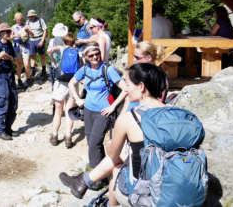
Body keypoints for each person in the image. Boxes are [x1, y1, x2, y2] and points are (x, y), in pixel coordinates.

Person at [59, 63, 169, 207]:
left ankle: (101, 196)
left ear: (141, 87)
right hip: (171, 185)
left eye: (128, 85)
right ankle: (83, 182)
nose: (125, 90)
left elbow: (113, 156)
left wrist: (114, 144)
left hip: (144, 192)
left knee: (116, 168)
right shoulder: (176, 112)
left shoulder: (130, 118)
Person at [68, 43, 127, 175]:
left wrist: (113, 106)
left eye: (97, 54)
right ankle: (103, 173)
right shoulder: (84, 69)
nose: (95, 57)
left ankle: (95, 175)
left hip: (103, 112)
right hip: (88, 110)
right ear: (86, 57)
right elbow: (71, 83)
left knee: (95, 142)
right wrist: (77, 99)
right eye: (91, 55)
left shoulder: (108, 69)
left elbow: (125, 89)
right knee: (91, 141)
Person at [47, 24, 77, 148]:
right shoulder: (76, 51)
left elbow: (49, 51)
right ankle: (68, 137)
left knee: (58, 111)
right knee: (69, 111)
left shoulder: (61, 48)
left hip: (61, 82)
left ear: (64, 41)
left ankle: (54, 136)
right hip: (73, 83)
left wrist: (54, 63)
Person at [25, 10, 48, 80]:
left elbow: (45, 31)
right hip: (31, 40)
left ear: (35, 15)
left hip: (39, 39)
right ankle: (33, 70)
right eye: (29, 16)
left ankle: (44, 69)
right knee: (32, 55)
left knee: (42, 55)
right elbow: (26, 31)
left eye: (31, 16)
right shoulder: (28, 22)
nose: (30, 17)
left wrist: (42, 40)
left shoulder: (40, 20)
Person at [11, 12, 30, 88]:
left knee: (26, 64)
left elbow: (32, 35)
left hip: (25, 46)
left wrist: (29, 31)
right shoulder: (13, 27)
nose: (19, 21)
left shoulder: (26, 26)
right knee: (19, 65)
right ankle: (19, 80)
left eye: (21, 19)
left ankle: (28, 78)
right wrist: (18, 35)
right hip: (17, 46)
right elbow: (10, 37)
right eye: (18, 19)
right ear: (15, 19)